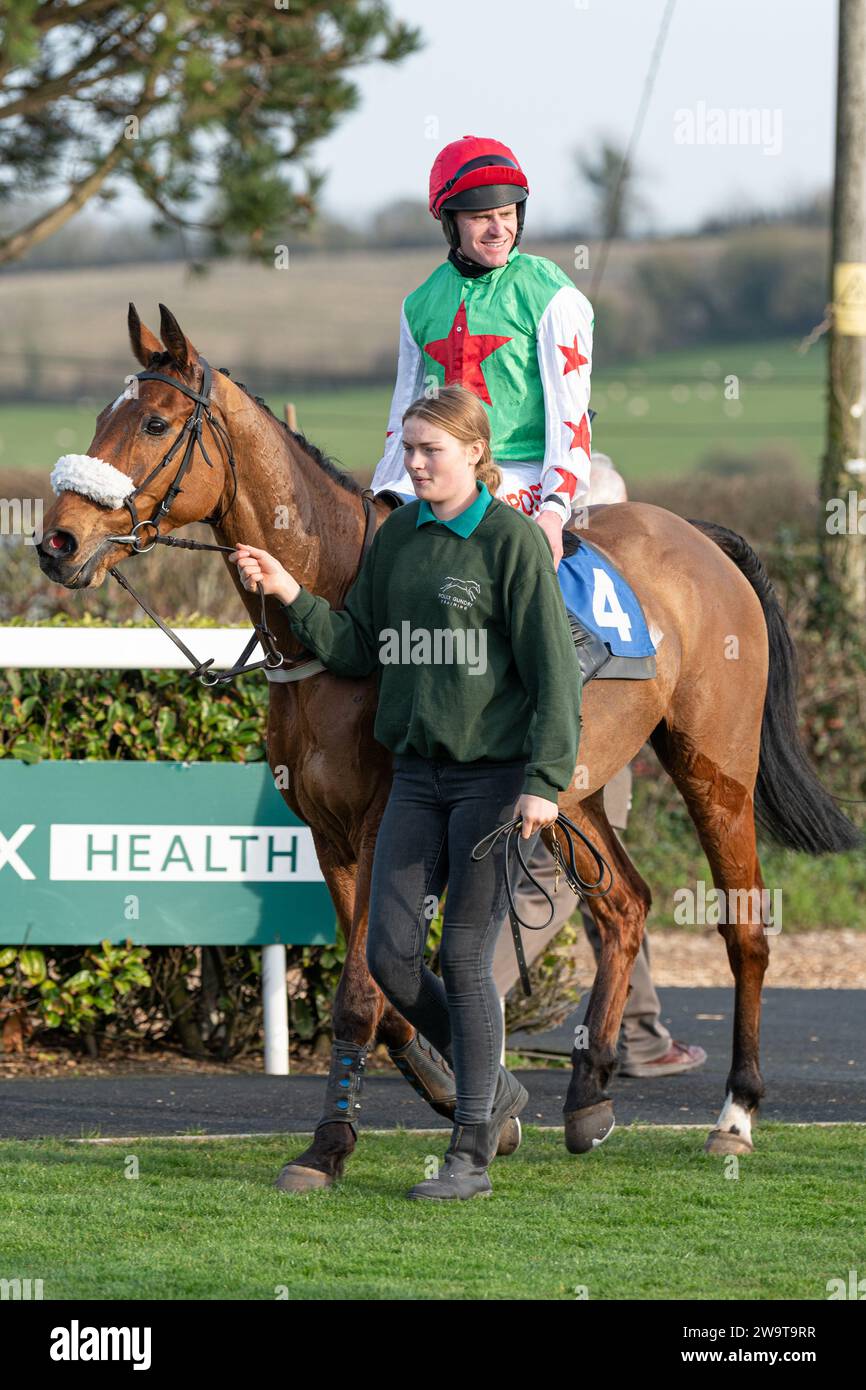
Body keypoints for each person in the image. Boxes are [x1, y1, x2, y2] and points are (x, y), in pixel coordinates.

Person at [230, 384, 582, 1201]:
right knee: (388, 956)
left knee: (462, 955)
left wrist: (543, 784)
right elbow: (357, 647)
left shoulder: (511, 543)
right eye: (411, 448)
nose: (416, 463)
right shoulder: (398, 542)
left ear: (474, 454)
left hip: (494, 784)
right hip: (416, 779)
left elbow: (553, 679)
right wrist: (289, 591)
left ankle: (470, 1152)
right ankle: (489, 1076)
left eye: (433, 450)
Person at [492, 457, 707, 1077]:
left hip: (581, 720)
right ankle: (471, 1001)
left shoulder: (555, 528)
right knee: (566, 874)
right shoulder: (585, 547)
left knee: (603, 878)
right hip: (587, 728)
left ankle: (638, 1028)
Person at [369, 133, 610, 679]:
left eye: (506, 214)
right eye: (481, 218)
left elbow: (572, 421)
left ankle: (565, 641)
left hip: (523, 471)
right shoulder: (419, 304)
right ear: (450, 222)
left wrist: (553, 510)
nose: (498, 228)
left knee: (485, 532)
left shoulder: (553, 295)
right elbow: (398, 420)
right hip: (435, 472)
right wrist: (381, 492)